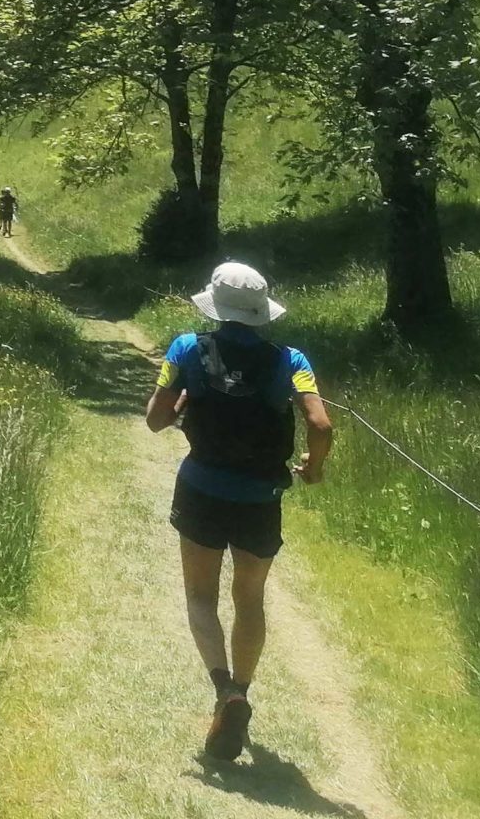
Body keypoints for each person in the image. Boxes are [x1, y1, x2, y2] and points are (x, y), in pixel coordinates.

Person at [144, 261, 332, 762]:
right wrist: (313, 467)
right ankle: (243, 691)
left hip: (202, 487)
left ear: (217, 307)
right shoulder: (291, 359)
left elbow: (155, 421)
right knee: (250, 599)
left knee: (200, 597)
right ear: (260, 312)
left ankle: (223, 688)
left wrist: (185, 398)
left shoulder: (186, 348)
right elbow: (321, 423)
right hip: (260, 497)